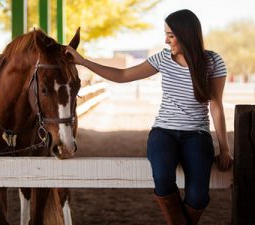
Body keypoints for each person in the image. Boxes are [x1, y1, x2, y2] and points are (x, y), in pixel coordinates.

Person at [65, 9, 233, 225]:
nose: (166, 40)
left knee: (199, 196)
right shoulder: (163, 58)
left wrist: (225, 148)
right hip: (164, 133)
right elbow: (123, 76)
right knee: (162, 178)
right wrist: (84, 62)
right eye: (166, 34)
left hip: (197, 135)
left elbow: (216, 105)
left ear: (186, 34)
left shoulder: (213, 61)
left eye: (170, 35)